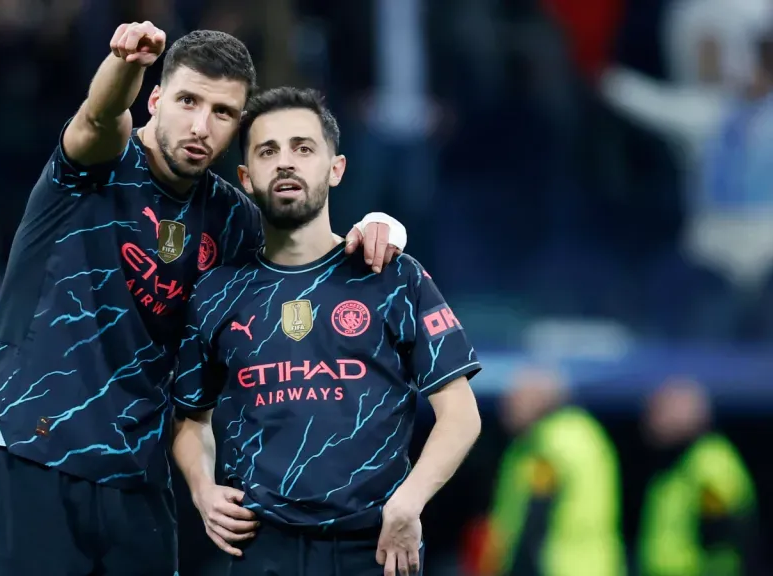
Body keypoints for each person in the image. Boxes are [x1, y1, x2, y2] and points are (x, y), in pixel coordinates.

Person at [0, 23, 407, 576]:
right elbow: (100, 116)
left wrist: (382, 224)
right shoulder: (96, 165)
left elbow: (310, 251)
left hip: (139, 477)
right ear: (155, 100)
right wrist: (125, 62)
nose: (201, 126)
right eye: (187, 101)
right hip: (33, 455)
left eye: (223, 113)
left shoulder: (230, 217)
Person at [170, 86, 482, 576]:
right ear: (247, 179)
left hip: (375, 547)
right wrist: (202, 488)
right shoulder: (215, 293)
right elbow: (191, 421)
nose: (286, 163)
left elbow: (461, 414)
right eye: (268, 152)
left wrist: (409, 502)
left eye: (303, 148)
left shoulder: (392, 274)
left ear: (335, 168)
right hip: (259, 549)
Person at [481, 367, 624, 576]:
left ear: (540, 400)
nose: (506, 407)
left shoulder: (547, 444)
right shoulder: (587, 432)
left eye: (515, 398)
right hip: (598, 565)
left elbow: (536, 513)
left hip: (556, 566)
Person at [638, 378, 760, 576]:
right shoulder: (678, 461)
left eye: (659, 412)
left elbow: (725, 528)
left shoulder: (708, 460)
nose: (650, 421)